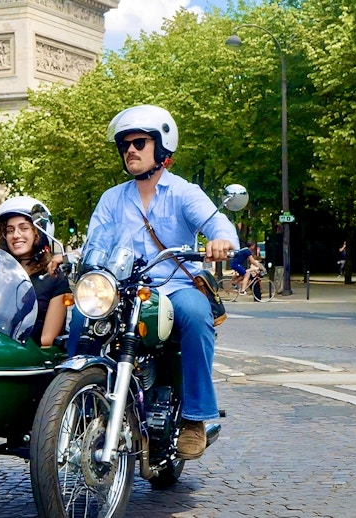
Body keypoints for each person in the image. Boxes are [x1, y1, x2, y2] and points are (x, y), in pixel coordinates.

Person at [51, 104, 238, 460]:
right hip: (121, 288)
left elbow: (218, 223)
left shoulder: (184, 192)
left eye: (139, 142)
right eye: (125, 146)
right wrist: (74, 256)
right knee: (79, 315)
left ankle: (194, 418)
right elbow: (95, 244)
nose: (131, 150)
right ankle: (75, 400)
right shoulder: (112, 198)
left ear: (161, 148)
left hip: (173, 286)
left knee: (197, 316)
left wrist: (221, 241)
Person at [0, 196, 70, 348]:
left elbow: (48, 339)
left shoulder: (54, 276)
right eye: (10, 230)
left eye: (24, 228)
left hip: (32, 360)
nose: (16, 235)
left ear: (38, 233)